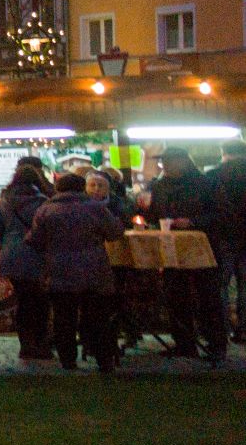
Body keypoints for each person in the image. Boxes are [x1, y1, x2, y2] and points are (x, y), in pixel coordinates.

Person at [25, 171, 126, 372]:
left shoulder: (46, 210)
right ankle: (104, 359)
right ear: (82, 187)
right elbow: (114, 232)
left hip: (59, 269)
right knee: (97, 317)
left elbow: (34, 239)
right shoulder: (95, 209)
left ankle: (68, 360)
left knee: (64, 318)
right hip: (93, 269)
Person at [146, 147, 230, 364]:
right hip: (172, 250)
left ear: (183, 162)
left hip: (204, 250)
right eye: (164, 162)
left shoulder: (206, 184)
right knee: (176, 296)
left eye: (169, 162)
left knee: (208, 298)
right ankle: (184, 343)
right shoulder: (160, 186)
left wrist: (193, 222)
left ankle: (216, 344)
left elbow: (222, 215)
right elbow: (155, 213)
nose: (165, 166)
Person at [0, 158, 53, 362]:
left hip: (12, 255)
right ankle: (40, 344)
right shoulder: (43, 201)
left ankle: (26, 344)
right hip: (36, 254)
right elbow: (46, 231)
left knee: (23, 300)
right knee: (40, 302)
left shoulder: (6, 201)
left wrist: (8, 241)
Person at [210, 139, 246, 328]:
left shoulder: (214, 176)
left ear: (223, 152)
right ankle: (243, 330)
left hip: (224, 236)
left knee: (221, 286)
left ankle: (222, 330)